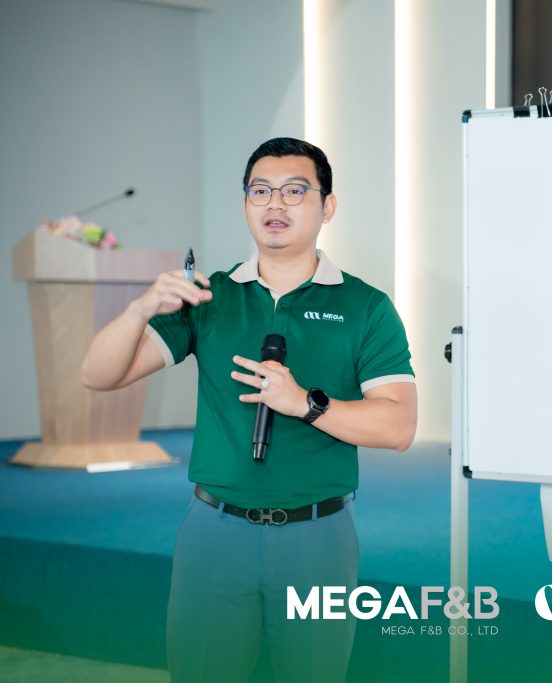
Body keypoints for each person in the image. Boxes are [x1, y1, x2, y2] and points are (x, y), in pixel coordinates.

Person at [81, 137, 417, 682]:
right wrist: (140, 308)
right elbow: (98, 375)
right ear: (245, 205)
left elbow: (398, 425)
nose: (275, 203)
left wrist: (304, 403)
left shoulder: (366, 306)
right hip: (214, 532)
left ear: (327, 206)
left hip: (319, 536)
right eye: (260, 191)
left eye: (294, 191)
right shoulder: (208, 297)